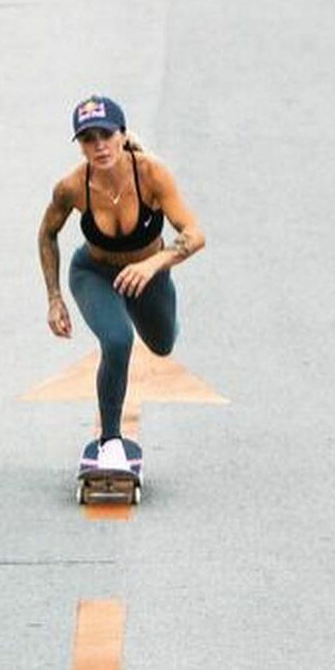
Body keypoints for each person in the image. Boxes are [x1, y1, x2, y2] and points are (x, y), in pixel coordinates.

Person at [37, 94, 206, 472]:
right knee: (117, 339)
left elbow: (195, 234)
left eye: (106, 135)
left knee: (162, 343)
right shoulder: (72, 187)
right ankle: (110, 442)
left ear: (123, 135)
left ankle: (149, 308)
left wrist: (153, 265)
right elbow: (47, 233)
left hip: (149, 275)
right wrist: (54, 298)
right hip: (95, 273)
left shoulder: (151, 174)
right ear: (80, 146)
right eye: (88, 139)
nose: (99, 146)